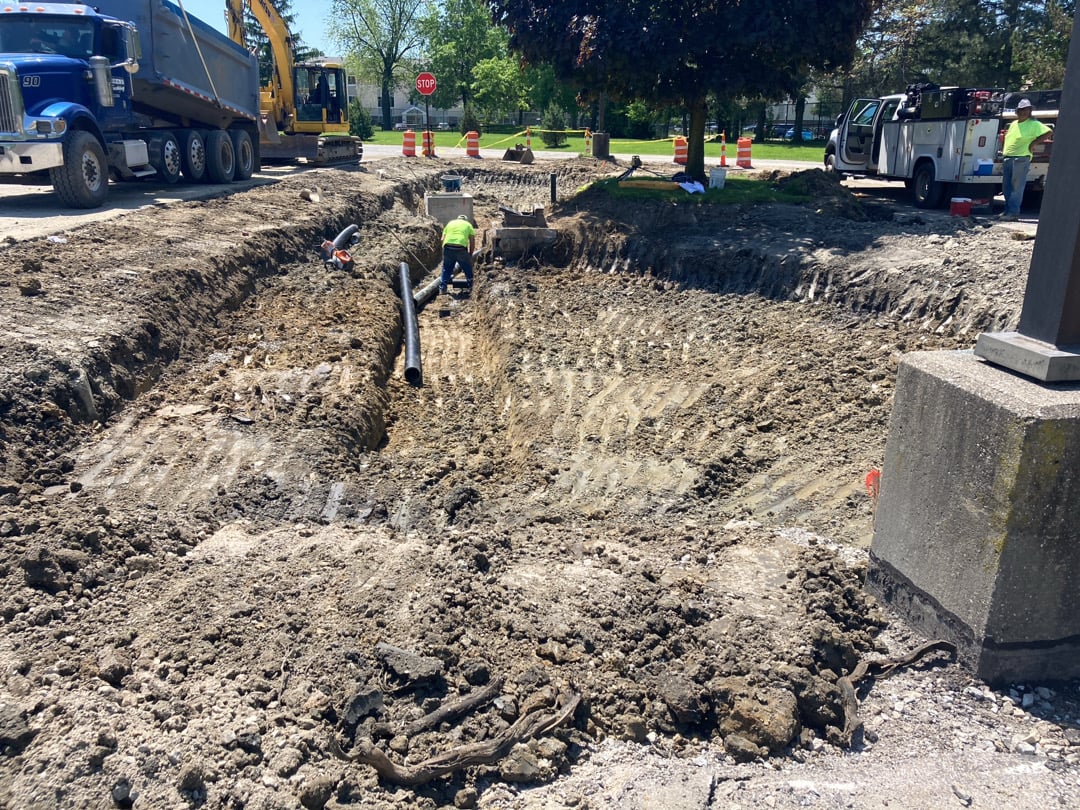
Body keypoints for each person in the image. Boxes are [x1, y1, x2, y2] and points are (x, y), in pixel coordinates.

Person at [999, 98, 1052, 221]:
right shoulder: (1013, 124)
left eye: (1026, 110)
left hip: (1021, 158)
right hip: (1008, 158)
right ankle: (1007, 211)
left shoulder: (1034, 124)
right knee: (1007, 187)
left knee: (1016, 187)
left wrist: (1034, 143)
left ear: (1030, 111)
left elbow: (1049, 132)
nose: (1024, 112)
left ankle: (1013, 213)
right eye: (1022, 110)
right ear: (1017, 111)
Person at [440, 215, 476, 294]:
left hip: (447, 247)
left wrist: (445, 251)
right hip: (461, 249)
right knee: (467, 267)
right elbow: (472, 242)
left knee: (446, 268)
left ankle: (443, 288)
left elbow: (442, 239)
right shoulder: (468, 225)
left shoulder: (450, 223)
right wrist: (470, 254)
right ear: (466, 220)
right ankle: (471, 286)